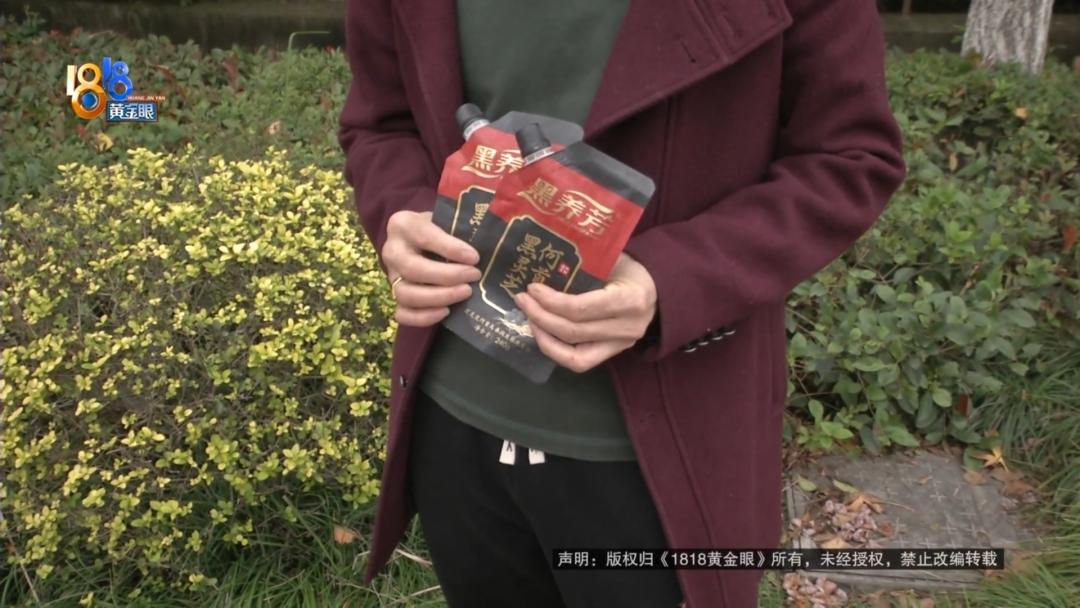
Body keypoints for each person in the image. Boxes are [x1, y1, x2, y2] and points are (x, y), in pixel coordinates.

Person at [338, 0, 906, 605]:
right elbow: (382, 122)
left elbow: (848, 158)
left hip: (657, 448)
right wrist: (402, 209)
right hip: (453, 419)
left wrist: (672, 278)